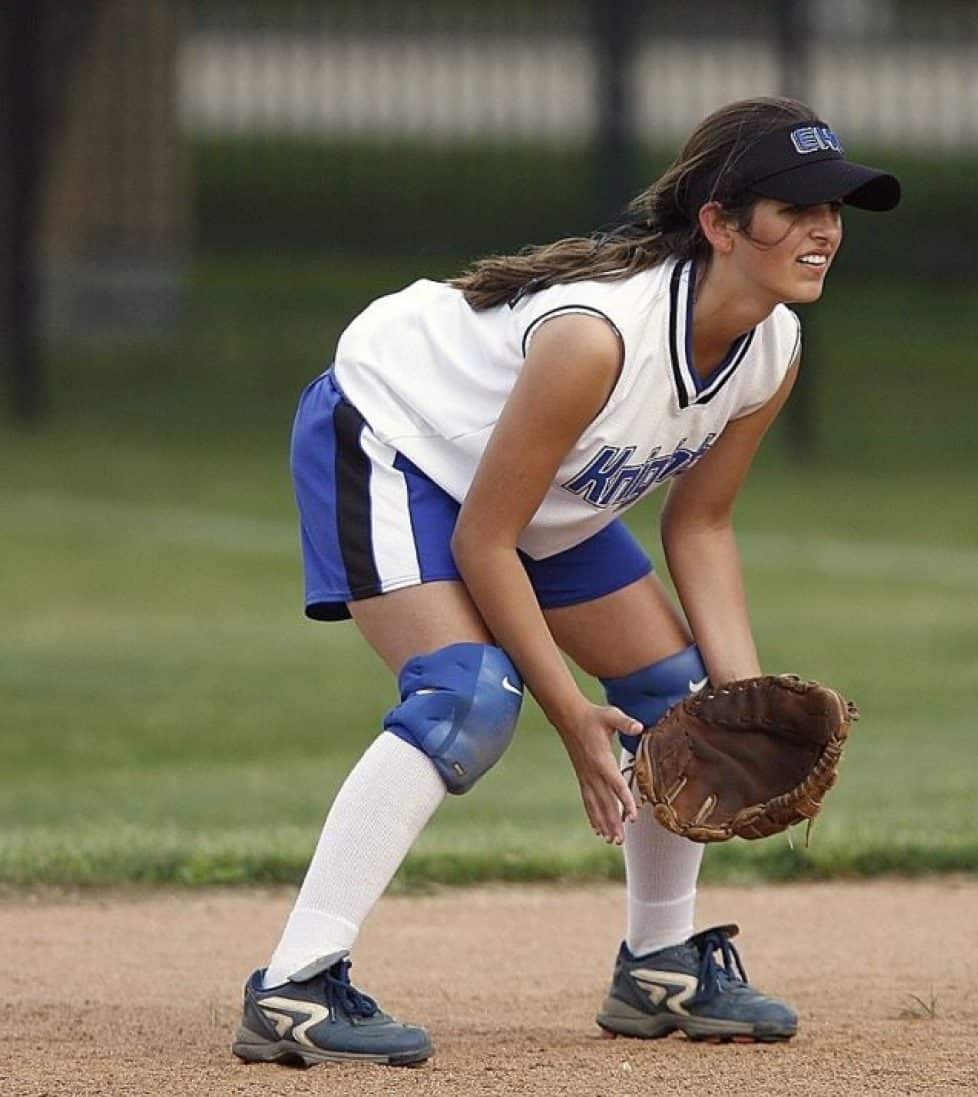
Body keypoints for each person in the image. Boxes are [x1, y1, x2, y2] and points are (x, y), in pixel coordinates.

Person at [231, 96, 900, 1067]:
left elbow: (700, 523)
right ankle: (294, 985)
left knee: (679, 700)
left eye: (835, 208)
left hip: (533, 490)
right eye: (795, 207)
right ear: (719, 222)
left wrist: (742, 695)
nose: (824, 230)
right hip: (398, 438)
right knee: (468, 695)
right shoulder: (598, 338)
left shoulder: (772, 347)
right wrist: (570, 715)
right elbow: (486, 540)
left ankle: (658, 963)